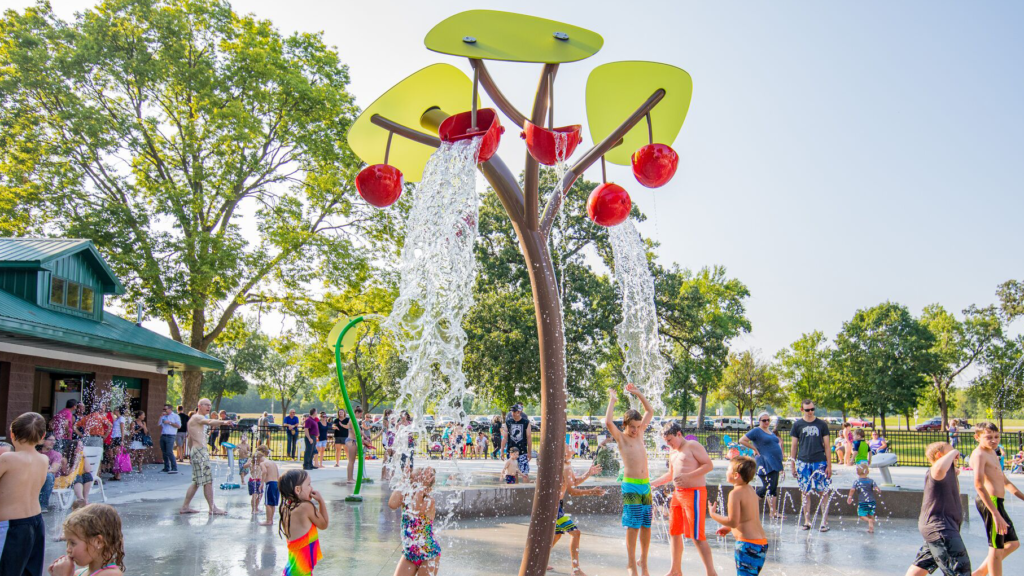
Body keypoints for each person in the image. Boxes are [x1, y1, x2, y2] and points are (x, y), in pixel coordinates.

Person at [652, 422, 717, 576]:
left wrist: (688, 476)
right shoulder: (673, 452)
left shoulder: (692, 445)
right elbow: (670, 474)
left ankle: (711, 573)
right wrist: (653, 483)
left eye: (670, 440)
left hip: (694, 493)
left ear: (679, 434)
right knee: (674, 532)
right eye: (666, 441)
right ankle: (675, 570)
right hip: (678, 494)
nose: (668, 444)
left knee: (696, 535)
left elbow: (708, 465)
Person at [604, 383, 655, 576]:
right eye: (632, 427)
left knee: (646, 525)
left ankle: (644, 562)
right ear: (625, 426)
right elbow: (608, 422)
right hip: (631, 486)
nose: (635, 430)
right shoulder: (622, 438)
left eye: (638, 426)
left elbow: (650, 410)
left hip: (646, 486)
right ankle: (632, 564)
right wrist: (613, 400)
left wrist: (638, 393)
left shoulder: (640, 433)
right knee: (633, 525)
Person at [906, 442, 970, 576]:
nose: (956, 456)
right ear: (939, 455)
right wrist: (954, 452)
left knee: (921, 566)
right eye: (952, 452)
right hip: (941, 529)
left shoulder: (947, 473)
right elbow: (939, 468)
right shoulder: (936, 470)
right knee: (960, 570)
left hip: (939, 529)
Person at [969, 422, 1022, 576]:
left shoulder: (993, 452)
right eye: (989, 437)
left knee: (1013, 543)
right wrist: (996, 514)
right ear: (977, 437)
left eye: (996, 437)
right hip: (990, 503)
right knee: (995, 548)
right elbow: (978, 485)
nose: (994, 440)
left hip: (997, 503)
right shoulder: (979, 454)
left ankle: (978, 573)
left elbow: (1005, 481)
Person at [0, 412, 49, 575]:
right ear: (43, 436)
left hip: (12, 526)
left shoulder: (7, 458)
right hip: (36, 522)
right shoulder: (44, 460)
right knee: (30, 572)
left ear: (12, 433)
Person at [708, 456, 768, 576]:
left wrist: (713, 514)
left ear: (736, 475)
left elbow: (733, 521)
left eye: (728, 469)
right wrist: (729, 529)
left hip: (747, 545)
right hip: (761, 544)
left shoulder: (735, 493)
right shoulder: (750, 490)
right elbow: (748, 516)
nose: (726, 472)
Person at [550, 446, 605, 576]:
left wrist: (588, 473)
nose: (573, 449)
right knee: (575, 533)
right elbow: (573, 491)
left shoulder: (567, 465)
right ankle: (575, 569)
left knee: (557, 534)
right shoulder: (564, 466)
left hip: (557, 504)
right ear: (563, 453)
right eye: (569, 447)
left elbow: (573, 482)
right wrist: (592, 492)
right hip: (554, 507)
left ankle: (541, 559)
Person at [180, 398, 234, 515]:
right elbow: (209, 422)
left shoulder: (194, 420)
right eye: (206, 405)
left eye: (210, 405)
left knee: (197, 481)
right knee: (207, 481)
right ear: (199, 406)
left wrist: (190, 455)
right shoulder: (197, 417)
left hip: (197, 451)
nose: (209, 407)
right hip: (199, 452)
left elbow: (190, 439)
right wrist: (224, 422)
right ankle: (212, 508)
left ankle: (185, 507)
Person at [45, 503, 125, 576]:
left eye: (73, 543)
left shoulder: (111, 574)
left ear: (98, 542)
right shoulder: (78, 573)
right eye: (67, 543)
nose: (68, 550)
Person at [388, 466, 440, 576]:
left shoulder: (429, 501)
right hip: (410, 553)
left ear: (427, 486)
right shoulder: (406, 499)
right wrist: (403, 481)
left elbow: (416, 509)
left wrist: (421, 486)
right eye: (411, 481)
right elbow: (392, 504)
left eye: (416, 483)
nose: (413, 486)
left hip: (428, 553)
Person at [790, 398, 832, 531]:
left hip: (819, 461)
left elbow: (827, 445)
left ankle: (824, 522)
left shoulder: (821, 424)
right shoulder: (797, 425)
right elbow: (794, 446)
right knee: (805, 492)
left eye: (812, 409)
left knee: (823, 491)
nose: (810, 412)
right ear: (802, 410)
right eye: (807, 410)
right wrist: (793, 464)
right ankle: (807, 521)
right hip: (803, 462)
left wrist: (829, 465)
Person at [279, 469, 329, 575]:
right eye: (309, 484)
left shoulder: (286, 508)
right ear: (297, 490)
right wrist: (321, 501)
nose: (312, 488)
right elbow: (323, 524)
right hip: (300, 572)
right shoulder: (306, 507)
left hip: (292, 568)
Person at [739, 412, 784, 519]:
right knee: (768, 486)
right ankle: (746, 505)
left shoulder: (770, 432)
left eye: (768, 420)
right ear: (759, 421)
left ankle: (773, 512)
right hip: (765, 462)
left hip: (775, 462)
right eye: (764, 420)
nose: (767, 422)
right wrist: (754, 448)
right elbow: (742, 440)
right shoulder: (756, 431)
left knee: (772, 487)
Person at [847, 463, 882, 533]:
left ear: (857, 473)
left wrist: (850, 496)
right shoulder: (871, 481)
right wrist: (878, 490)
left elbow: (852, 490)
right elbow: (876, 488)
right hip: (872, 501)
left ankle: (869, 521)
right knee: (870, 514)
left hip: (862, 502)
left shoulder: (857, 481)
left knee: (861, 515)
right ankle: (871, 528)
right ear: (868, 472)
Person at [504, 404, 533, 476]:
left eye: (514, 412)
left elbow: (529, 437)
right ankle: (515, 487)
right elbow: (505, 437)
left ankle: (526, 487)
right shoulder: (508, 422)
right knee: (512, 473)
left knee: (524, 473)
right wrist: (502, 450)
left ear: (519, 412)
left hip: (522, 451)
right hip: (511, 452)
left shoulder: (526, 422)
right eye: (512, 412)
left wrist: (529, 452)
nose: (512, 413)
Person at [38, 432, 63, 510]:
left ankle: (43, 506)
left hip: (50, 479)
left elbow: (53, 470)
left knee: (49, 476)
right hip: (35, 477)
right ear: (43, 441)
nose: (53, 442)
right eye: (50, 440)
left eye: (54, 440)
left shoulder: (56, 454)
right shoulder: (36, 453)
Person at [258, 445, 280, 527]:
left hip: (269, 484)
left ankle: (268, 520)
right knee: (273, 503)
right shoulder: (273, 462)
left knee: (267, 503)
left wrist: (262, 483)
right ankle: (271, 519)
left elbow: (264, 472)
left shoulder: (263, 463)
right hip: (276, 483)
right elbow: (278, 475)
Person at [157, 403, 180, 475]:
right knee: (164, 452)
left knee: (169, 451)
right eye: (163, 409)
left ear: (170, 409)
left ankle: (174, 467)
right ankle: (166, 467)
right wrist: (161, 417)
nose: (164, 410)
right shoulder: (164, 416)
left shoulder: (175, 416)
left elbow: (178, 426)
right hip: (163, 435)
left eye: (165, 409)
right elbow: (158, 424)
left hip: (171, 436)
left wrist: (169, 422)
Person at [249, 449, 264, 517]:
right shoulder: (253, 465)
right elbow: (245, 466)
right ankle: (253, 509)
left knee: (260, 495)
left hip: (259, 481)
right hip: (253, 481)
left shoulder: (261, 465)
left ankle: (256, 507)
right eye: (261, 458)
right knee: (254, 496)